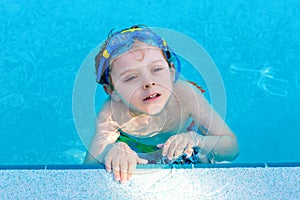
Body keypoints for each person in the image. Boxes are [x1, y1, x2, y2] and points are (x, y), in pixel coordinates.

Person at [84, 25, 239, 183]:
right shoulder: (111, 113)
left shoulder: (186, 96)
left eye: (156, 69)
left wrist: (196, 140)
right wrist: (109, 151)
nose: (148, 82)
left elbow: (231, 147)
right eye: (131, 78)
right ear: (112, 91)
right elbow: (87, 168)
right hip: (135, 158)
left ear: (171, 72)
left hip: (182, 151)